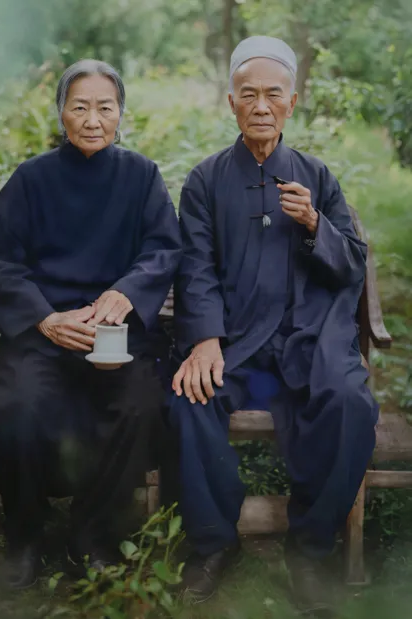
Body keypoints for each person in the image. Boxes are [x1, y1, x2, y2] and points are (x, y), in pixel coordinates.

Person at [170, 36, 378, 613]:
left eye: (273, 95)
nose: (261, 105)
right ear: (231, 101)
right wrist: (205, 339)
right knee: (191, 396)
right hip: (243, 358)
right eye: (249, 94)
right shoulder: (206, 181)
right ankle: (213, 543)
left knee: (349, 403)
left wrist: (314, 224)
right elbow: (194, 267)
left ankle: (310, 550)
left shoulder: (317, 176)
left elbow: (352, 266)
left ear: (292, 102)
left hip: (304, 353)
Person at [0, 59, 182, 589]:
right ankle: (24, 539)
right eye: (80, 106)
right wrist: (44, 318)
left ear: (120, 114)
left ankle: (93, 536)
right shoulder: (32, 179)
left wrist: (126, 292)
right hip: (45, 337)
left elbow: (163, 249)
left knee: (140, 404)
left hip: (115, 338)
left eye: (105, 108)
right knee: (16, 405)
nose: (93, 119)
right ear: (62, 113)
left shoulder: (142, 177)